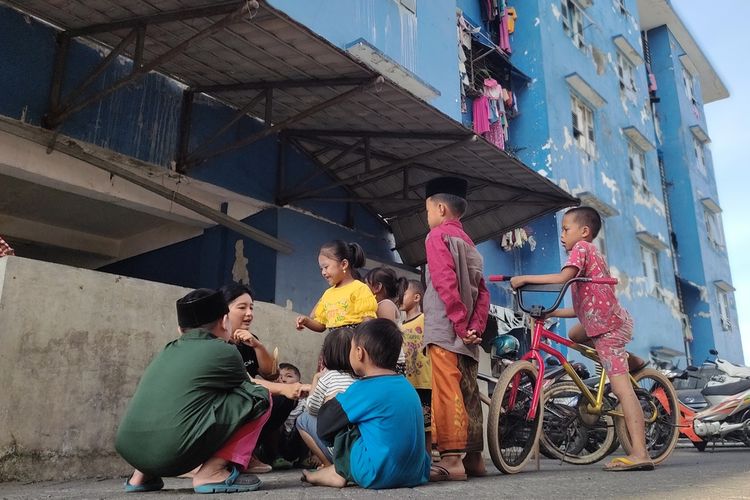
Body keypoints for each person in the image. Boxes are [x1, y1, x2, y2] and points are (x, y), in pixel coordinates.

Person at [510, 206, 654, 471]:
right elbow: (579, 311)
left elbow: (562, 278)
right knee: (575, 333)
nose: (562, 235)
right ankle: (629, 359)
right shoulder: (589, 259)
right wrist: (548, 312)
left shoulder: (583, 249)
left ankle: (640, 453)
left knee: (623, 390)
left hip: (608, 328)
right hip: (598, 321)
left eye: (566, 230)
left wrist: (524, 278)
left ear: (584, 232)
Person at [115, 289, 272, 494]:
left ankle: (140, 477)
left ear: (180, 329)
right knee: (261, 397)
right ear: (225, 321)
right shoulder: (224, 350)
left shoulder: (167, 349)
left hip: (129, 449)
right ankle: (212, 473)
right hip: (171, 455)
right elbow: (249, 389)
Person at [302, 319, 431, 489]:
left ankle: (339, 471)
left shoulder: (363, 389)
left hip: (375, 473)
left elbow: (324, 428)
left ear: (359, 353)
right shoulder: (407, 386)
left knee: (329, 423)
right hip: (417, 473)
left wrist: (332, 399)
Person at [422, 176, 490, 481]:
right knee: (469, 391)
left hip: (446, 328)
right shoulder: (471, 244)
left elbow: (444, 282)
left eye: (427, 212)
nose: (427, 218)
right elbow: (483, 292)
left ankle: (451, 460)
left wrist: (460, 325)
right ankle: (475, 460)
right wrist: (475, 327)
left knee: (447, 392)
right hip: (469, 335)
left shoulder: (437, 237)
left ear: (439, 208)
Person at [219, 284, 306, 474]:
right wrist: (287, 388)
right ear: (224, 309)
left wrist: (257, 345)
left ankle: (247, 452)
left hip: (242, 403)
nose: (249, 313)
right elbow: (246, 381)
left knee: (281, 401)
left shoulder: (248, 339)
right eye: (242, 308)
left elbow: (271, 374)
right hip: (223, 408)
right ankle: (235, 455)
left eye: (251, 308)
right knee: (271, 397)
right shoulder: (218, 343)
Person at [296, 328, 357, 466]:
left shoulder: (328, 377)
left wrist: (316, 379)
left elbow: (312, 408)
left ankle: (328, 465)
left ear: (327, 354)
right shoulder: (362, 377)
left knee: (302, 419)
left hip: (336, 447)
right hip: (358, 446)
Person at [296, 240, 377, 332]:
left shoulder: (359, 288)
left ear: (344, 264)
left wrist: (362, 341)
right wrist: (306, 321)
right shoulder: (328, 294)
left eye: (326, 267)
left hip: (352, 341)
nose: (323, 272)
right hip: (333, 343)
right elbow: (321, 325)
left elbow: (368, 321)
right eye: (321, 269)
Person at [400, 279, 432, 454]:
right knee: (413, 424)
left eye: (404, 293)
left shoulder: (425, 320)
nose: (400, 297)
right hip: (408, 382)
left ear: (416, 297)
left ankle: (426, 461)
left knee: (426, 427)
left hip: (425, 381)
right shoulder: (399, 325)